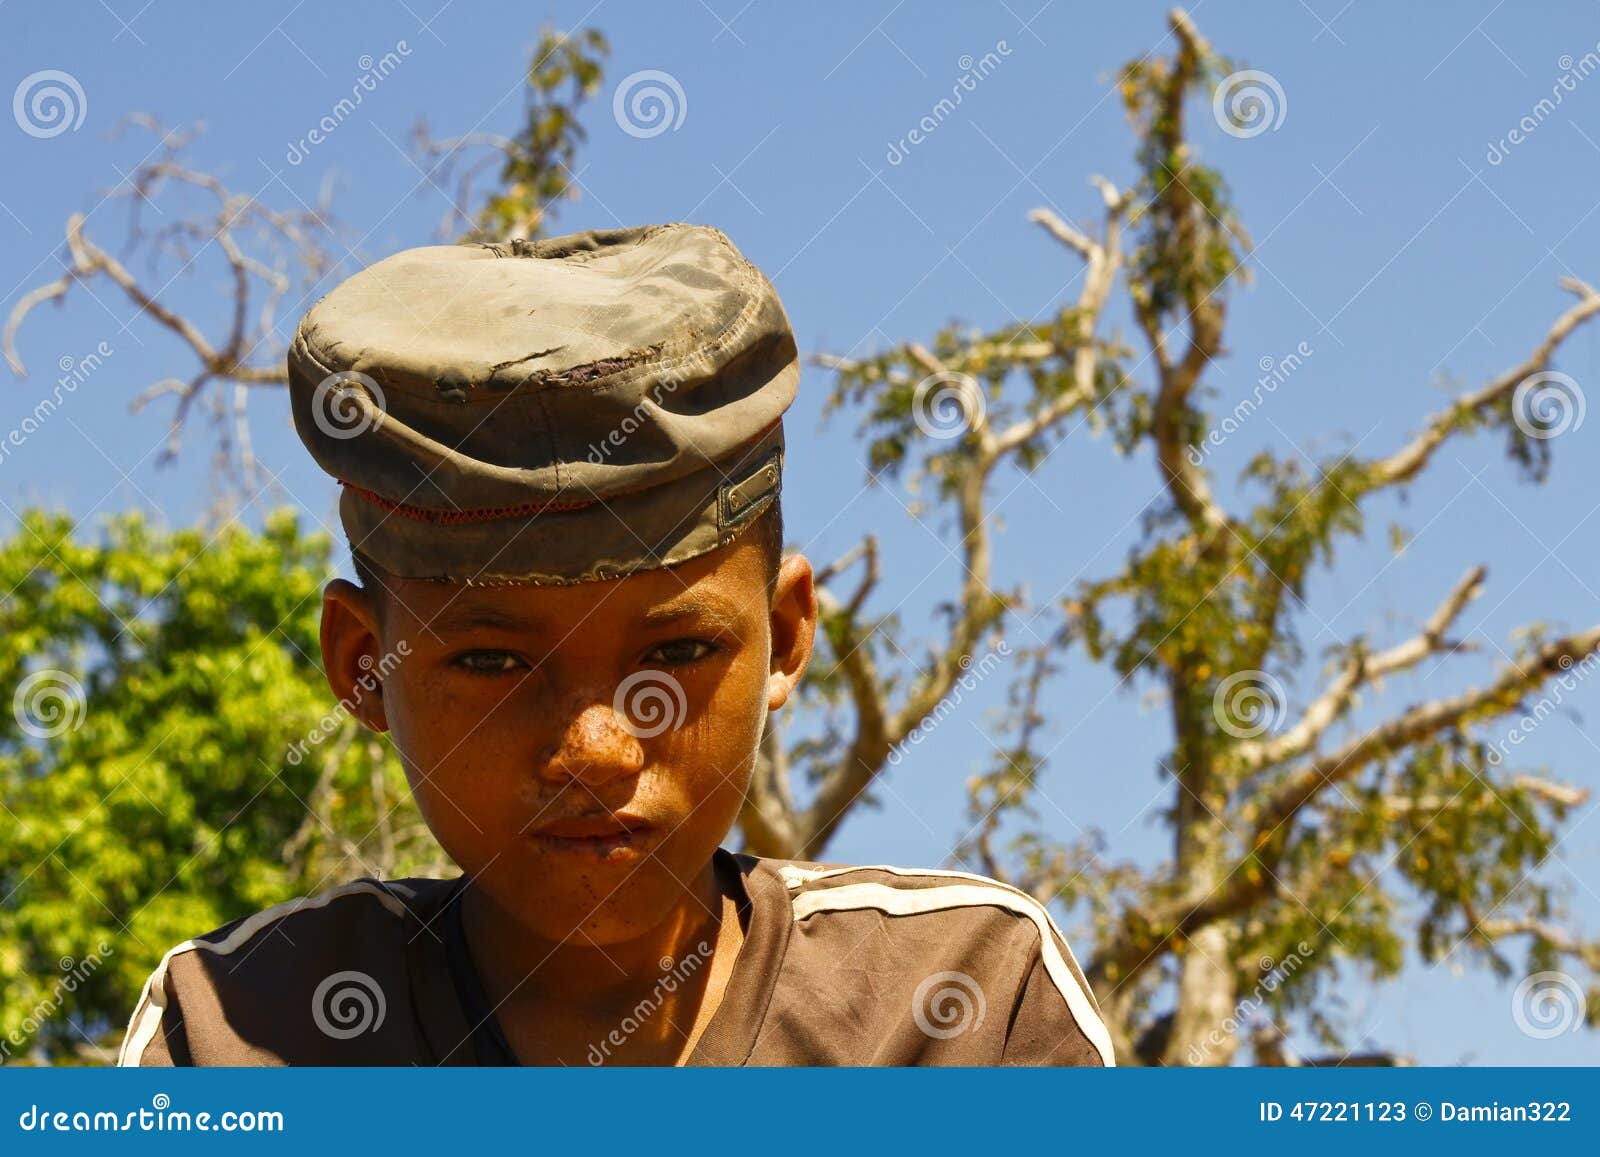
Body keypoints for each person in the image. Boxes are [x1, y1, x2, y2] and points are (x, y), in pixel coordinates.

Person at [117, 223, 1113, 1067]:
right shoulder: (243, 1028)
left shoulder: (957, 1004)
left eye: (676, 652)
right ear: (361, 662)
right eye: (495, 661)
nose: (598, 750)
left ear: (784, 633)